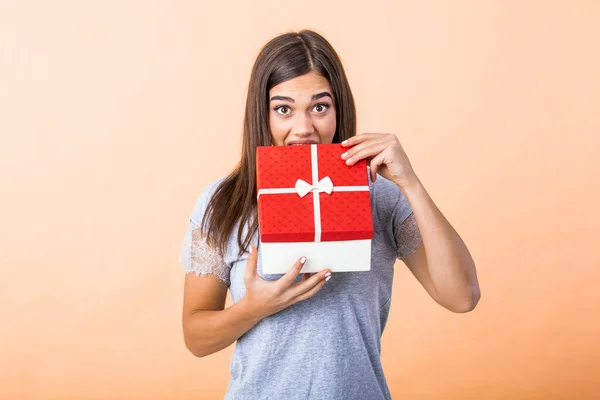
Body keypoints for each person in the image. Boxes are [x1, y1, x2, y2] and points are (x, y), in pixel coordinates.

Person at [178, 29, 480, 400]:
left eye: (319, 107)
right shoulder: (223, 202)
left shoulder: (381, 197)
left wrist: (410, 184)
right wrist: (253, 308)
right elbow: (196, 337)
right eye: (283, 109)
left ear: (339, 109)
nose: (303, 129)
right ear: (262, 112)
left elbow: (462, 297)